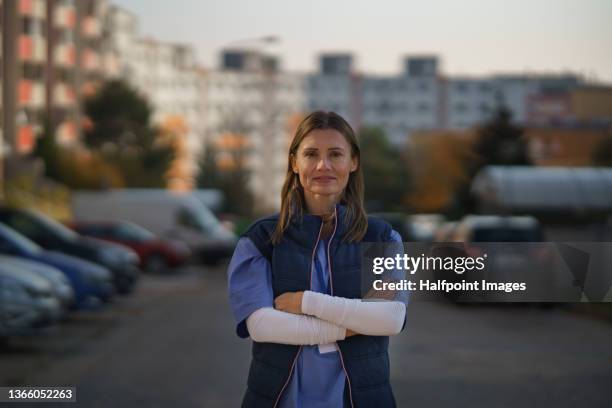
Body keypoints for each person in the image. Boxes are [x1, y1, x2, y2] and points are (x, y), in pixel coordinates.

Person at [228, 111, 408, 408]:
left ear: (353, 162)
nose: (323, 165)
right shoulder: (261, 240)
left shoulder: (382, 239)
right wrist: (353, 323)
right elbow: (262, 325)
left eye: (335, 154)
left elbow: (391, 318)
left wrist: (305, 303)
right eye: (311, 154)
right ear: (294, 162)